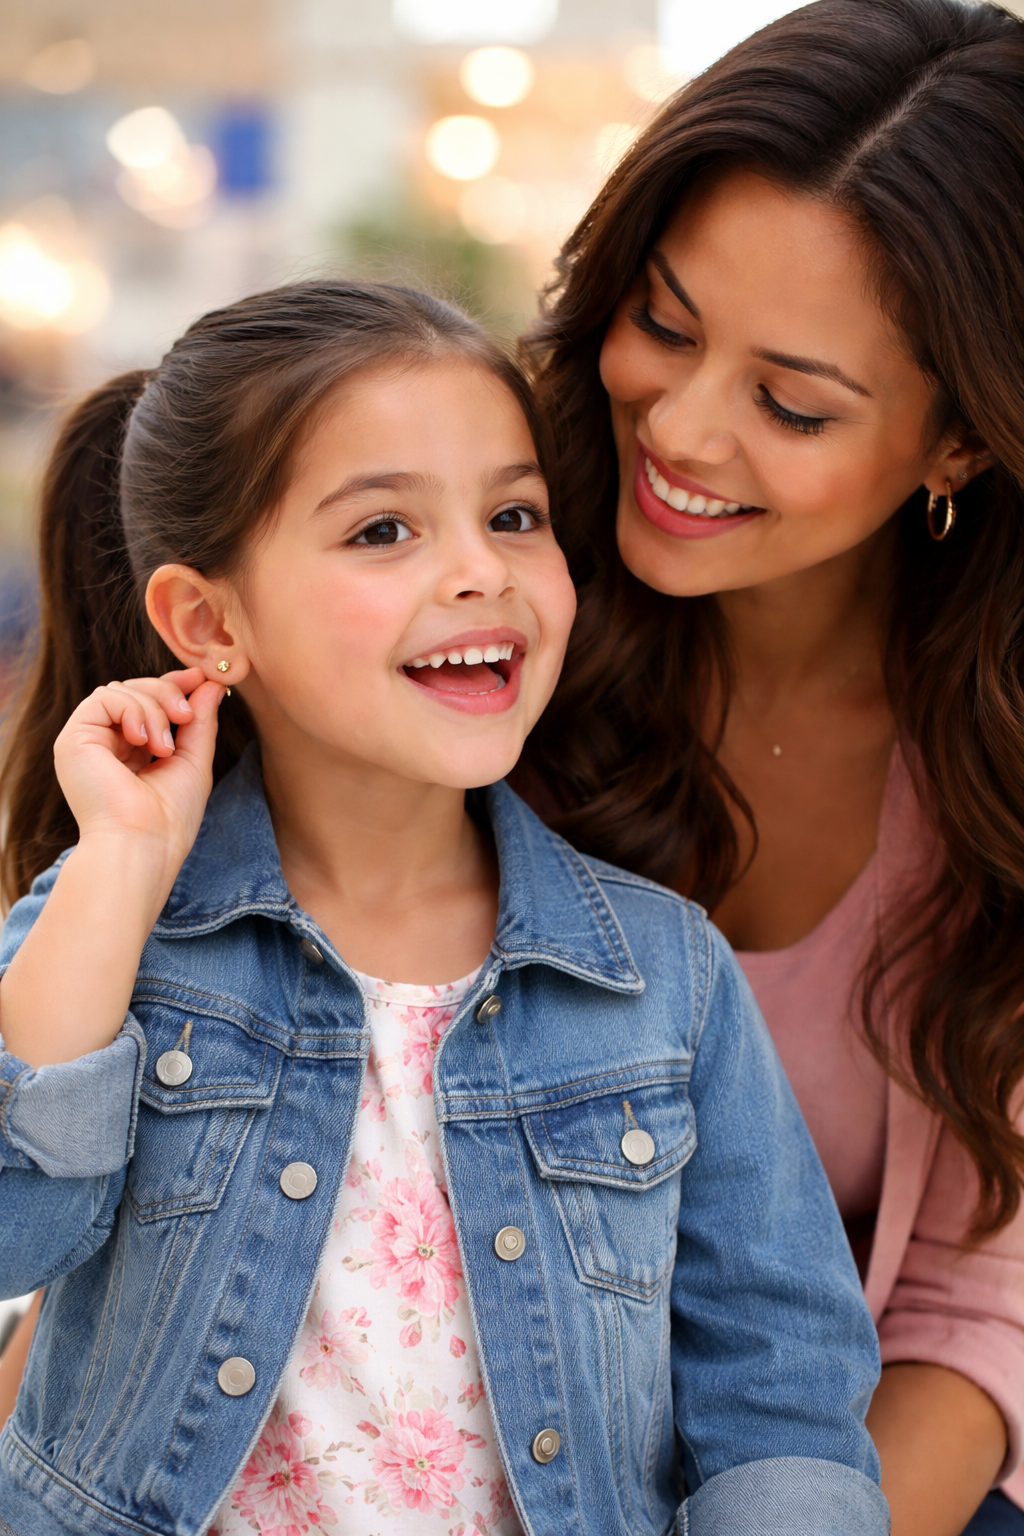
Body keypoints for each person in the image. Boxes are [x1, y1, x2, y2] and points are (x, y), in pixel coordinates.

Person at [0, 280, 887, 1536]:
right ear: (210, 621)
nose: (481, 571)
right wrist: (123, 865)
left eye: (514, 515)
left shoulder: (661, 976)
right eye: (382, 532)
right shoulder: (112, 920)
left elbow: (780, 1391)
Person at [518, 1, 1024, 1533]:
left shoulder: (994, 768)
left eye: (792, 404)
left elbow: (980, 1306)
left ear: (957, 445)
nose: (676, 425)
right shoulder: (472, 599)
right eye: (666, 324)